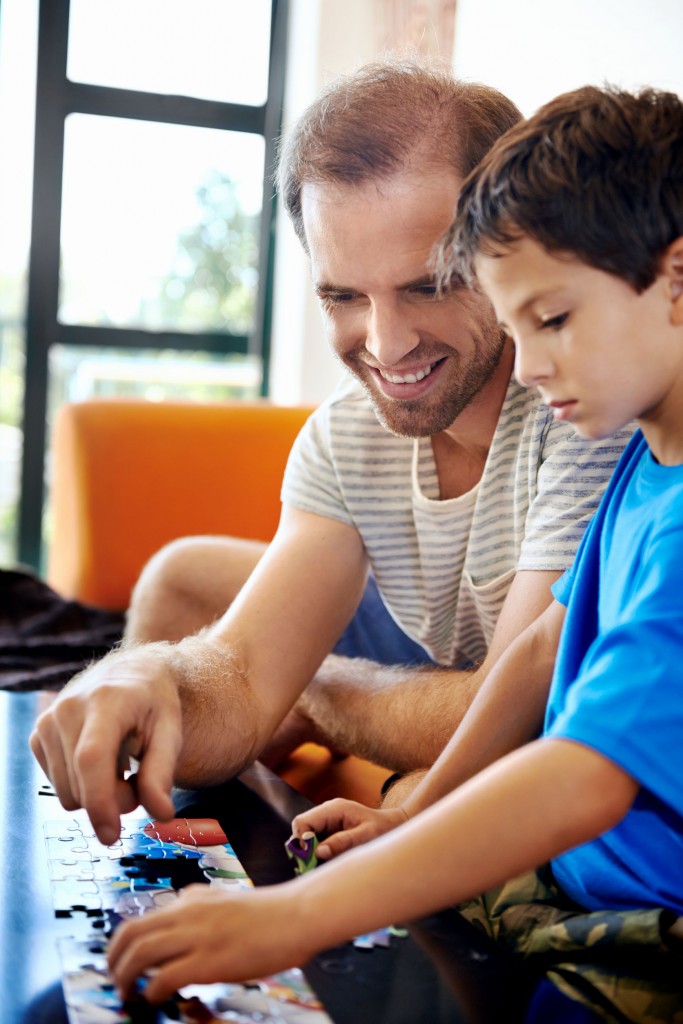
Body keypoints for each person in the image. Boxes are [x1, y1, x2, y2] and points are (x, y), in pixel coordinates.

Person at [107, 84, 683, 1022]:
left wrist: (296, 916)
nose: (530, 368)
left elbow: (576, 768)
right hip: (566, 886)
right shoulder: (645, 464)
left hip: (631, 931)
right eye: (342, 294)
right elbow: (540, 650)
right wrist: (417, 809)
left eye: (553, 320)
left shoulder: (631, 470)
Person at [30, 59, 630, 848]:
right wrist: (139, 677)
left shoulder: (584, 404)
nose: (385, 346)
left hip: (515, 676)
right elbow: (243, 680)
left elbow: (513, 706)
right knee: (179, 583)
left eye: (427, 285)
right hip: (413, 633)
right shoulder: (345, 433)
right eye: (341, 295)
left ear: (509, 243)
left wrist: (311, 682)